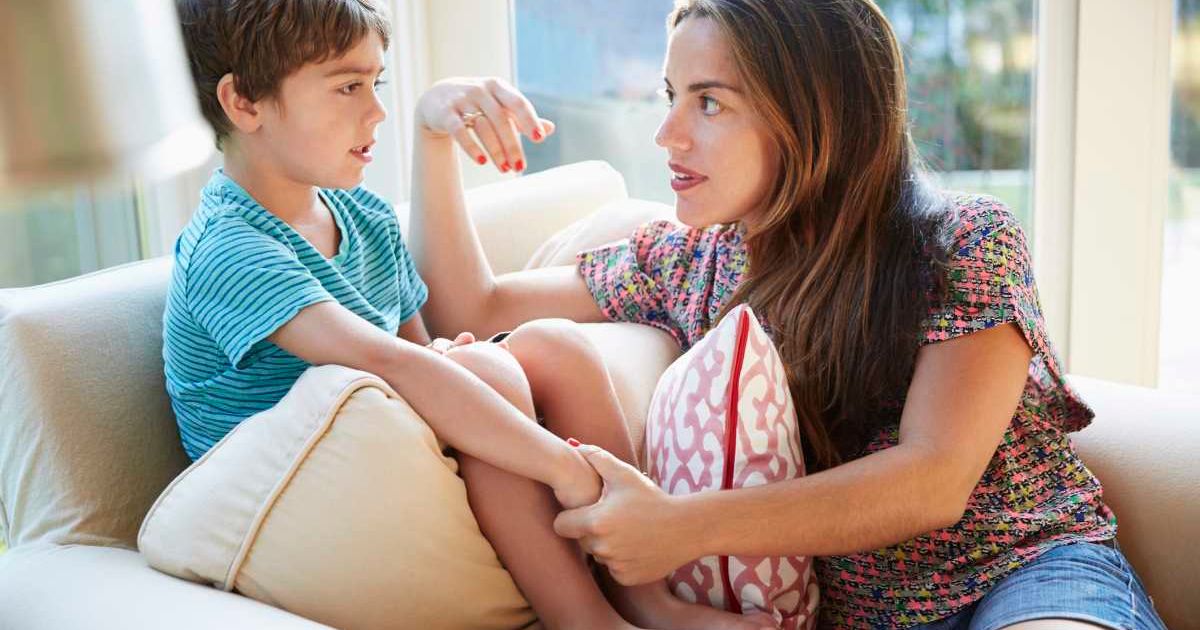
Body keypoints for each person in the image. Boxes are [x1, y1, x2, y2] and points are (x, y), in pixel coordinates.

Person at [409, 1, 1168, 628]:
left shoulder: (961, 241)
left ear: (816, 115)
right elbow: (469, 308)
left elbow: (932, 479)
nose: (667, 134)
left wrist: (682, 527)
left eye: (708, 102)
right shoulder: (689, 258)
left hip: (1025, 577)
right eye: (668, 96)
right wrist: (432, 132)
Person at [164, 2, 769, 628]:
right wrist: (563, 466)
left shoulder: (365, 218)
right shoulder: (228, 247)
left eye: (378, 84)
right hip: (298, 494)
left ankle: (645, 597)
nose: (375, 111)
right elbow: (383, 359)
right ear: (243, 103)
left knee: (557, 348)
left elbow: (423, 350)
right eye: (348, 87)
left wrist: (468, 365)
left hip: (385, 446)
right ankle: (585, 619)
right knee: (485, 369)